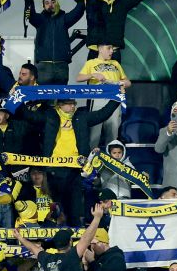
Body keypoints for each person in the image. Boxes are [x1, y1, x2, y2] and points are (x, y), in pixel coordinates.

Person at [33, 97, 119, 226]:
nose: (72, 106)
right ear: (59, 105)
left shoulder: (81, 117)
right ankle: (56, 240)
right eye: (68, 104)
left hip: (75, 169)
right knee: (56, 209)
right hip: (54, 169)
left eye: (73, 103)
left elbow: (103, 114)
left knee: (75, 209)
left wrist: (117, 98)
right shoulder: (50, 116)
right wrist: (15, 98)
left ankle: (75, 241)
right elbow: (28, 116)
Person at [57, 0, 163, 59]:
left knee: (113, 82)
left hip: (114, 53)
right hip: (95, 52)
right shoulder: (90, 1)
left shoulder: (122, 4)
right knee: (93, 81)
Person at [76, 43, 130, 148]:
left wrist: (121, 83)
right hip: (97, 98)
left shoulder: (116, 63)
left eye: (112, 49)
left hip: (114, 99)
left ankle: (111, 160)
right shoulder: (91, 63)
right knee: (94, 133)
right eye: (109, 48)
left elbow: (127, 82)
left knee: (113, 132)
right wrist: (93, 75)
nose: (111, 51)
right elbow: (78, 78)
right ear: (100, 49)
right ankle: (91, 160)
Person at [23, 0, 84, 85]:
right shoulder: (39, 20)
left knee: (60, 97)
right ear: (43, 6)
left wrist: (82, 0)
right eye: (47, 3)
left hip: (61, 66)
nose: (50, 5)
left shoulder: (64, 19)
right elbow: (30, 15)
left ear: (57, 4)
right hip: (43, 66)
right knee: (43, 97)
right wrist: (29, 1)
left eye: (53, 2)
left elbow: (78, 12)